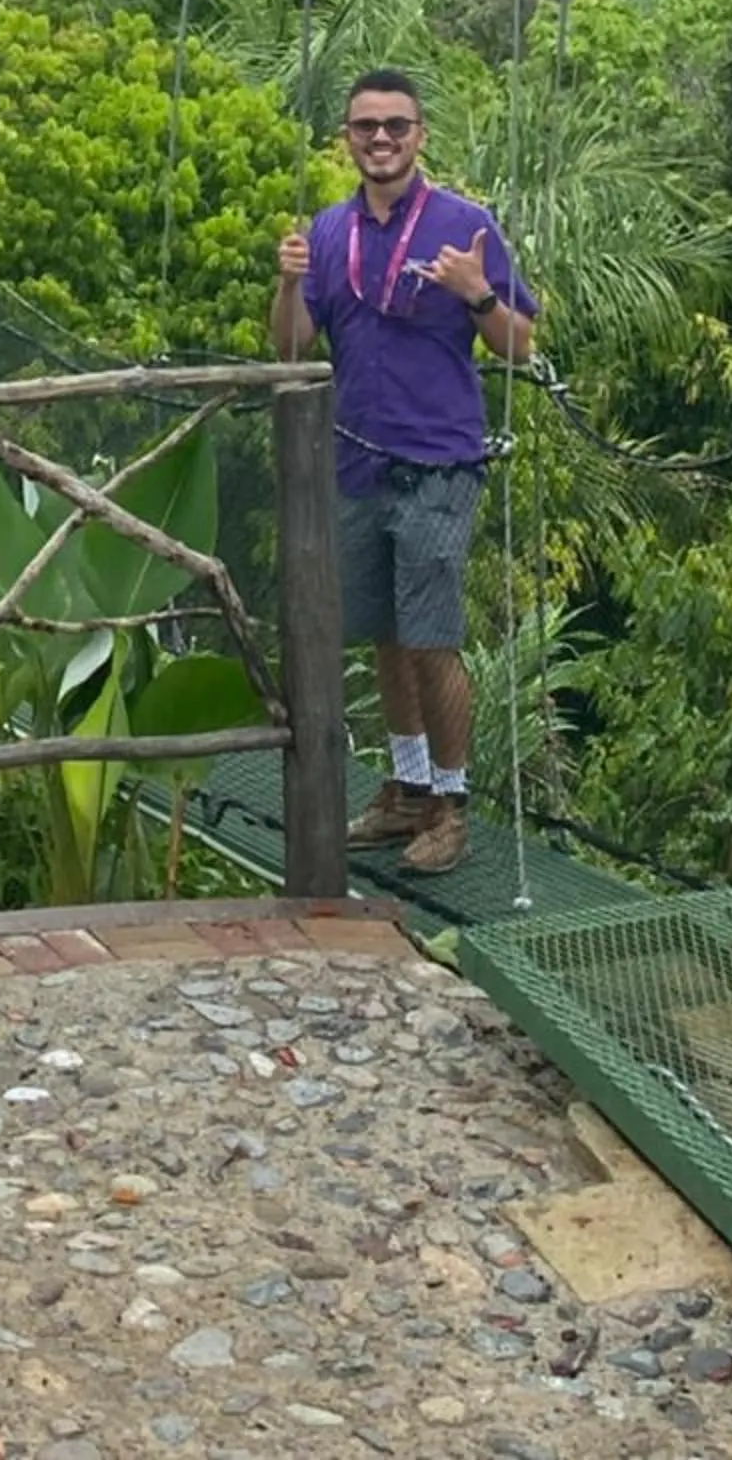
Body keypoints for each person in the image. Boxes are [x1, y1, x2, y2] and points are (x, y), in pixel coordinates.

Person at [270, 68, 536, 877]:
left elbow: (520, 345)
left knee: (431, 639)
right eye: (364, 127)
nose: (379, 139)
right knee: (384, 637)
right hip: (355, 463)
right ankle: (405, 788)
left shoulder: (463, 224)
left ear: (420, 134)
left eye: (395, 125)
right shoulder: (326, 231)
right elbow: (289, 348)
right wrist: (286, 281)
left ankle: (452, 807)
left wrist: (477, 293)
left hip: (438, 465)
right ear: (346, 138)